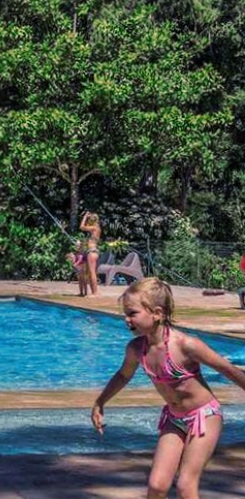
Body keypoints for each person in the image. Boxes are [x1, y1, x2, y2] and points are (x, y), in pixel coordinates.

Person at [91, 278, 245, 499]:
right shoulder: (136, 349)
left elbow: (228, 370)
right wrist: (100, 401)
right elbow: (123, 375)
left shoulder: (186, 346)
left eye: (132, 313)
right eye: (125, 313)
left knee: (185, 486)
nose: (126, 319)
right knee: (156, 486)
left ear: (157, 313)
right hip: (174, 418)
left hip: (204, 416)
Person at [80, 211, 102, 296]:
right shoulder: (97, 229)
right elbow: (92, 240)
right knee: (91, 272)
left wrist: (85, 217)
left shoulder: (94, 227)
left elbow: (82, 227)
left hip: (92, 252)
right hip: (93, 251)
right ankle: (95, 292)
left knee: (92, 272)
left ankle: (95, 293)